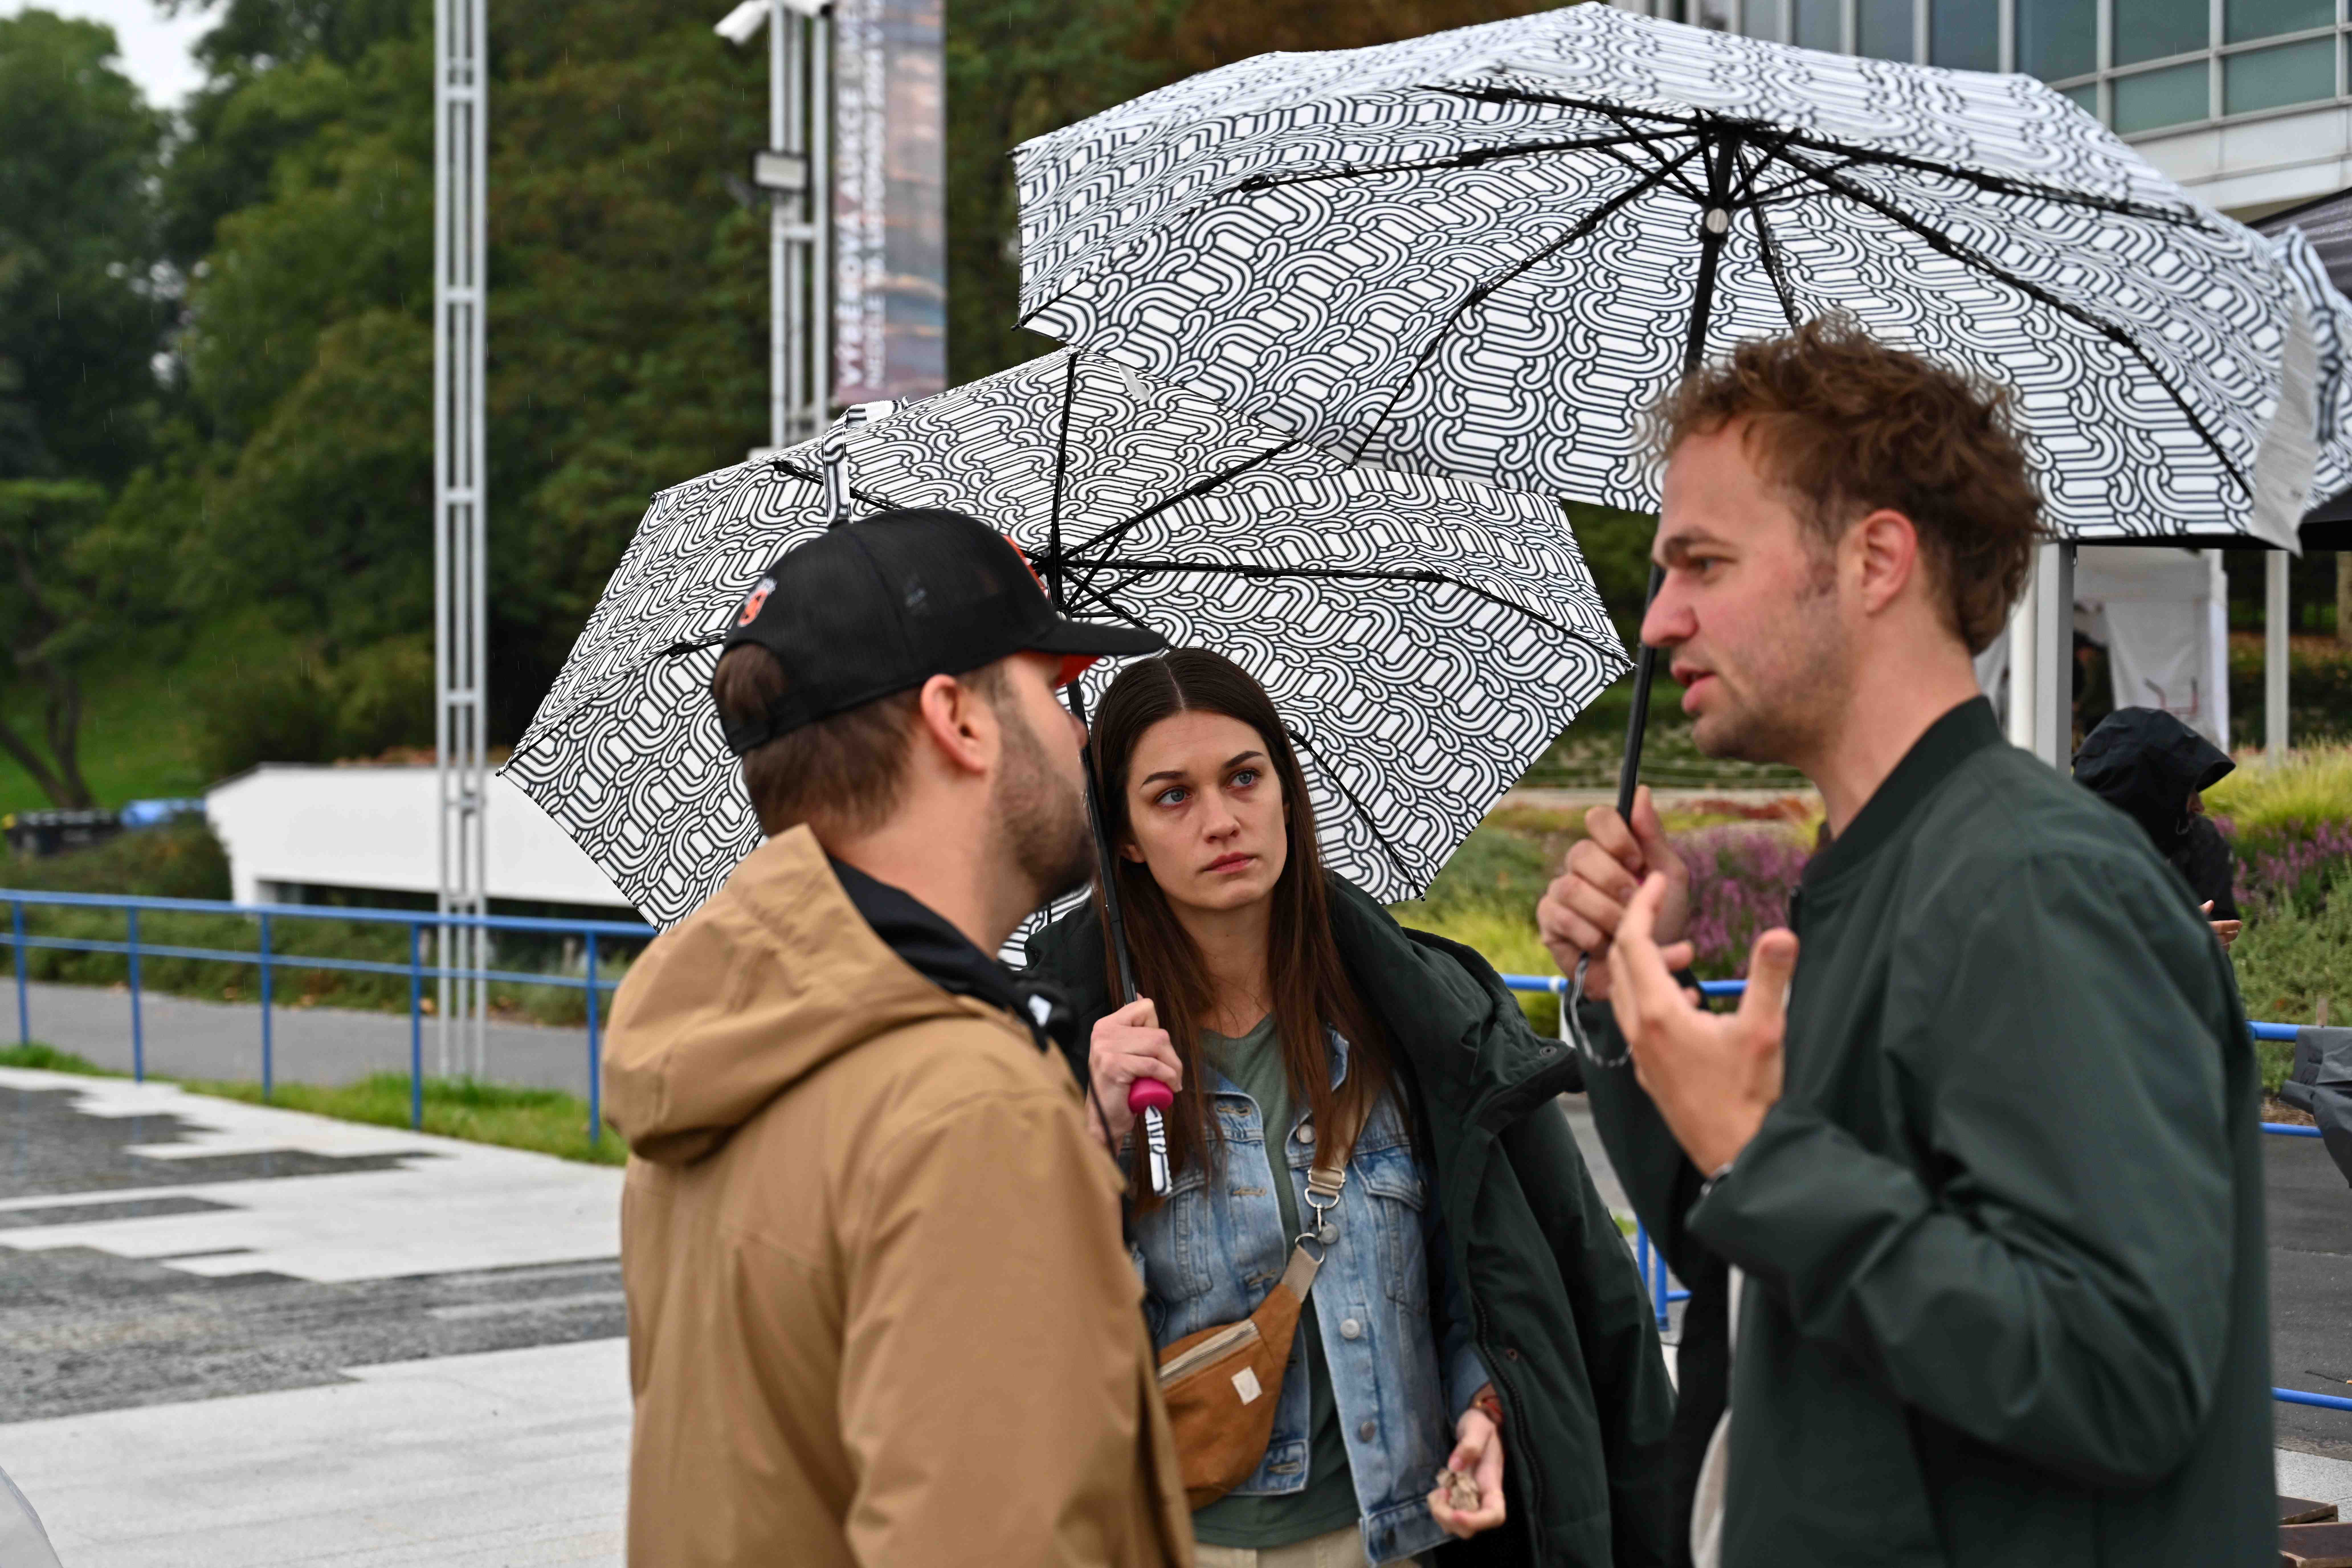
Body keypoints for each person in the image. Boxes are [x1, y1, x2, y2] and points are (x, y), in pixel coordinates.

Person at [1536, 320, 2274, 1567]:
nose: (1658, 620)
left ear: (1876, 558)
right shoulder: (1885, 872)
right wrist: (1627, 996)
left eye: (1702, 562)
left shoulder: (2033, 886)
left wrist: (1765, 1152)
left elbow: (2121, 1375)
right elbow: (1757, 1272)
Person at [600, 508, 1191, 1567]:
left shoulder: (731, 1047)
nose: (1079, 736)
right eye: (1052, 690)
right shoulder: (965, 1109)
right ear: (957, 718)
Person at [1024, 648, 1676, 1568]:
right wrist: (1090, 1133)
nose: (1221, 820)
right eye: (1171, 796)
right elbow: (1029, 1331)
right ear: (1122, 835)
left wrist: (1483, 1410)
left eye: (1244, 778)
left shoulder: (1414, 1019)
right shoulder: (1057, 1047)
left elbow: (1476, 1279)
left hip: (1392, 1541)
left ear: (1285, 793)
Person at [2072, 705, 2243, 947]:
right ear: (2153, 793)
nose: (2200, 806)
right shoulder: (2067, 867)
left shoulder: (2198, 841)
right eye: (2188, 789)